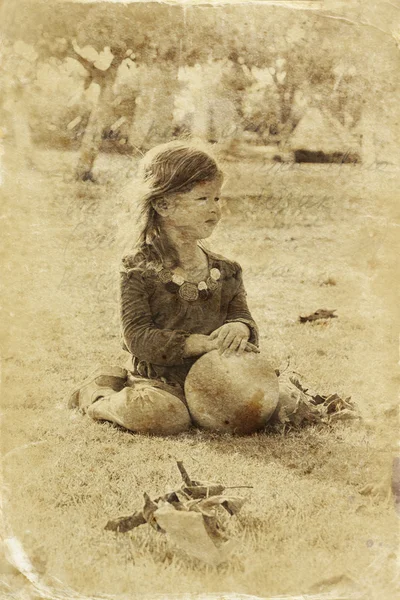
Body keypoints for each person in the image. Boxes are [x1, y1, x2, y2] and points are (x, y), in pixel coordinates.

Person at [68, 140, 338, 435]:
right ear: (163, 204)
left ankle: (210, 409)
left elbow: (242, 317)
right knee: (164, 416)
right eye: (203, 199)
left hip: (222, 377)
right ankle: (100, 395)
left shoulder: (227, 271)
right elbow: (137, 336)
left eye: (217, 199)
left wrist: (240, 328)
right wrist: (198, 343)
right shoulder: (138, 268)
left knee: (281, 405)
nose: (215, 210)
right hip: (164, 382)